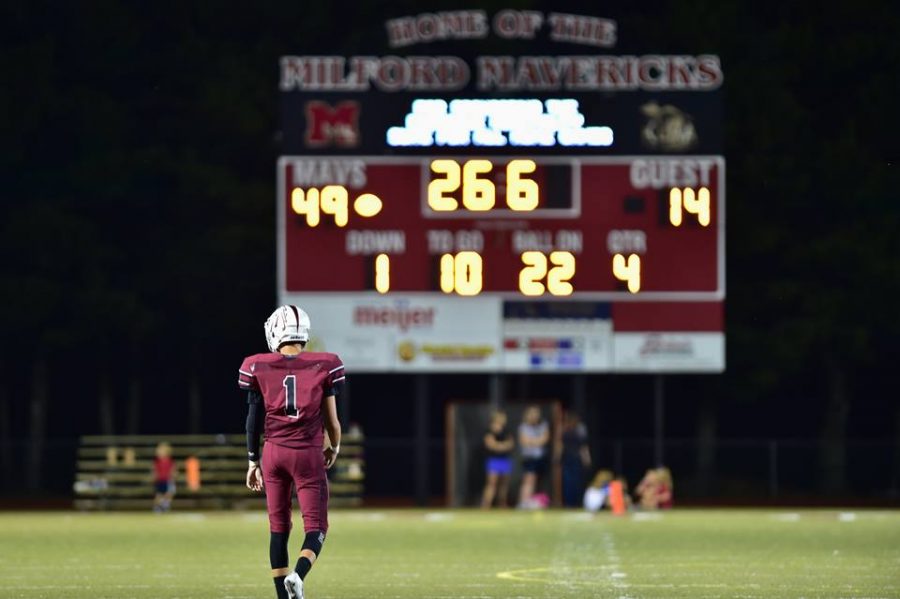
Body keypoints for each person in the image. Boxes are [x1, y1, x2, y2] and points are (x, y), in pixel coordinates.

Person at [241, 305, 344, 599]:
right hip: (307, 454)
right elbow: (333, 423)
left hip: (273, 454)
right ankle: (298, 575)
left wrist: (252, 461)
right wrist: (334, 447)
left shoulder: (258, 365)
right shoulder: (323, 365)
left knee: (278, 528)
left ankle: (282, 596)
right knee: (316, 525)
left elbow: (253, 419)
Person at [517, 405, 550, 508]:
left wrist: (532, 441)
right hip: (529, 457)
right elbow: (524, 441)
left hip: (540, 458)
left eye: (536, 413)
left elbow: (545, 439)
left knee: (537, 481)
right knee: (529, 480)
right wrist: (537, 441)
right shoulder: (523, 426)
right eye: (532, 413)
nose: (535, 416)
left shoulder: (543, 425)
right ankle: (523, 502)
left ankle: (532, 502)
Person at [480, 410, 515, 508]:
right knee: (492, 484)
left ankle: (502, 504)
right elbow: (491, 445)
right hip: (493, 460)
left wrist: (499, 446)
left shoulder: (507, 431)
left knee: (504, 484)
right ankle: (486, 505)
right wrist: (502, 446)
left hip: (505, 460)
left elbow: (511, 444)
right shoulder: (489, 431)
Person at [557, 412, 592, 507]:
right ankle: (569, 503)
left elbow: (583, 446)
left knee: (576, 481)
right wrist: (558, 457)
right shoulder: (564, 429)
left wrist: (586, 458)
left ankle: (577, 502)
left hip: (576, 458)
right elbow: (561, 445)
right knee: (568, 482)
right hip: (567, 458)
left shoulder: (580, 430)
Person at [152, 442, 176, 513]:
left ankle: (165, 506)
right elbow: (155, 470)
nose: (160, 453)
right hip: (160, 480)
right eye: (159, 451)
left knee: (169, 493)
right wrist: (154, 476)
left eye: (162, 451)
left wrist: (173, 475)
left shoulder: (170, 461)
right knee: (158, 494)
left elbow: (173, 469)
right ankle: (157, 507)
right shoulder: (157, 461)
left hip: (168, 480)